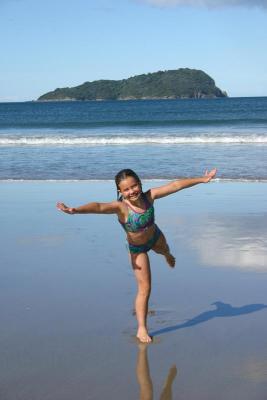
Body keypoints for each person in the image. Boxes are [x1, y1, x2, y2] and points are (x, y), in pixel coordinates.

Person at [57, 168, 217, 343]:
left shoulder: (150, 197)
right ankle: (142, 328)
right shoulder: (121, 207)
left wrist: (203, 179)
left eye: (134, 186)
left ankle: (166, 255)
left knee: (164, 249)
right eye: (126, 189)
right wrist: (75, 210)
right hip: (137, 250)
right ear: (120, 191)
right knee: (145, 288)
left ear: (140, 184)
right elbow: (99, 206)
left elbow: (176, 185)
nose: (131, 191)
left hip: (155, 236)